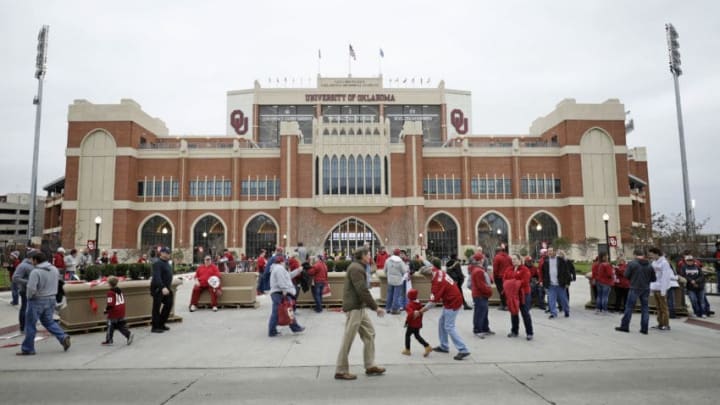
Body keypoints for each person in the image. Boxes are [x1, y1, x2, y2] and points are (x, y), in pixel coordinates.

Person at [334, 247, 386, 381]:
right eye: (368, 254)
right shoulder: (356, 269)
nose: (370, 256)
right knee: (348, 338)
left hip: (360, 307)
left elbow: (368, 279)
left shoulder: (360, 267)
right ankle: (341, 370)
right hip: (354, 308)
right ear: (362, 256)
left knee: (370, 332)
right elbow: (362, 290)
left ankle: (370, 365)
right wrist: (376, 307)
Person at [17, 251, 71, 355]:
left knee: (30, 324)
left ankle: (28, 348)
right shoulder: (54, 269)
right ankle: (62, 336)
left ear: (36, 260)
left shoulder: (36, 272)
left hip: (37, 299)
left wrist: (29, 297)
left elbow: (31, 288)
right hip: (51, 298)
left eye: (32, 260)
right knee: (49, 321)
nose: (31, 261)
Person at [418, 259, 471, 361]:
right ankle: (444, 346)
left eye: (425, 277)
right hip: (452, 300)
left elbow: (433, 303)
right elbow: (428, 264)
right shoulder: (437, 271)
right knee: (442, 322)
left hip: (453, 302)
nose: (426, 279)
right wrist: (421, 258)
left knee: (449, 326)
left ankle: (463, 349)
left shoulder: (436, 284)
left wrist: (421, 311)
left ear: (428, 275)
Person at [615, 248, 654, 334]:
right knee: (645, 308)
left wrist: (632, 279)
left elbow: (626, 275)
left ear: (635, 255)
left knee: (629, 307)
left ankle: (625, 326)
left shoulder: (632, 264)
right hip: (646, 288)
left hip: (634, 287)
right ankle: (644, 328)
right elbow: (653, 278)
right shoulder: (649, 264)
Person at [268, 255, 305, 337]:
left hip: (279, 293)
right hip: (280, 293)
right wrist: (284, 291)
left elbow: (288, 276)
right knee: (281, 312)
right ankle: (273, 331)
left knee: (286, 311)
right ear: (281, 262)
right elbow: (281, 281)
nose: (286, 263)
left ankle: (294, 328)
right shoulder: (279, 269)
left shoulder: (278, 269)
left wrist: (298, 270)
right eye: (285, 262)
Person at [503, 254, 534, 340]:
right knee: (514, 313)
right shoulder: (509, 269)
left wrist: (512, 283)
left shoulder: (525, 269)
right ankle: (514, 331)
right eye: (512, 259)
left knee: (525, 313)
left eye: (515, 259)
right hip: (513, 295)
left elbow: (525, 281)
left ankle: (529, 333)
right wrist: (515, 282)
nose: (513, 261)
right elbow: (504, 280)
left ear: (520, 259)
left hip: (523, 294)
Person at [101, 276, 134, 346]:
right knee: (120, 325)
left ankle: (109, 340)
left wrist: (106, 310)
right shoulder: (119, 290)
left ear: (109, 284)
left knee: (110, 325)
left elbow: (110, 304)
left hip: (114, 312)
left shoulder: (110, 293)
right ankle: (128, 334)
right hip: (121, 310)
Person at [541, 247, 571, 319]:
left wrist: (567, 282)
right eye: (548, 251)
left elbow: (566, 272)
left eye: (551, 251)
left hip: (560, 284)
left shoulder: (561, 260)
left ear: (555, 252)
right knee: (551, 300)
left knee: (564, 300)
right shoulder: (546, 262)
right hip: (551, 285)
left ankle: (566, 311)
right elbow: (544, 274)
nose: (549, 252)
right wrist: (545, 284)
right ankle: (553, 313)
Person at [150, 247, 174, 333]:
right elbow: (157, 277)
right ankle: (155, 327)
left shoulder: (167, 263)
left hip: (167, 288)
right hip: (158, 288)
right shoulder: (157, 263)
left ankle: (161, 323)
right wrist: (162, 287)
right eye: (167, 253)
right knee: (156, 308)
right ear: (162, 253)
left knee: (169, 304)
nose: (168, 254)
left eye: (169, 253)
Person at [470, 252, 494, 338]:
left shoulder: (478, 269)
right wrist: (489, 291)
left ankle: (484, 328)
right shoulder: (478, 271)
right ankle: (478, 330)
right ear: (481, 260)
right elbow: (481, 285)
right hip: (480, 295)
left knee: (483, 312)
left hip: (480, 295)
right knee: (480, 312)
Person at [402, 288, 432, 357]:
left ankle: (407, 350)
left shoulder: (409, 305)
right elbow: (421, 312)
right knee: (417, 335)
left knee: (407, 335)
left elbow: (410, 315)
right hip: (418, 324)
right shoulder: (419, 303)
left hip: (411, 324)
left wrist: (407, 322)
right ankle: (427, 346)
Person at [648, 247, 672, 331]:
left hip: (662, 287)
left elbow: (666, 277)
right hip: (655, 286)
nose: (651, 256)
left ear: (657, 254)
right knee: (658, 307)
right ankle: (660, 323)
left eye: (652, 255)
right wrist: (651, 288)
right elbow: (652, 276)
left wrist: (663, 290)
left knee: (664, 308)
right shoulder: (654, 262)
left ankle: (666, 324)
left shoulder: (664, 263)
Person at [12, 250, 36, 333]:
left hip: (33, 291)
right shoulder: (23, 266)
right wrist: (29, 282)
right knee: (25, 308)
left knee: (31, 309)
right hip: (25, 290)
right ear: (32, 258)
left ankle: (29, 326)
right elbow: (15, 278)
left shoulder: (34, 265)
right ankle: (23, 327)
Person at [384, 248, 406, 314]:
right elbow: (404, 271)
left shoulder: (388, 260)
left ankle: (388, 308)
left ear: (393, 253)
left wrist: (388, 276)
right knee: (396, 295)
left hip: (390, 280)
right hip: (398, 280)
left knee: (389, 294)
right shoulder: (400, 262)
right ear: (399, 254)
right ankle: (394, 309)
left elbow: (385, 270)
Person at [492, 246, 512, 311]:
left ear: (496, 251)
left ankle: (505, 305)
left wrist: (494, 277)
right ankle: (507, 304)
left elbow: (495, 269)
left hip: (500, 277)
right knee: (507, 290)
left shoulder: (497, 257)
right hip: (508, 276)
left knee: (501, 291)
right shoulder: (508, 257)